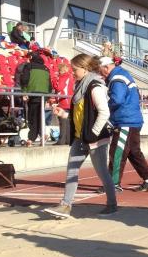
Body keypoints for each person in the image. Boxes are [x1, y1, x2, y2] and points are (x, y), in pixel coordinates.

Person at [45, 53, 117, 219]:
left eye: (75, 69)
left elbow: (104, 112)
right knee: (72, 171)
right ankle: (65, 205)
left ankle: (112, 204)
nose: (72, 72)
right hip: (80, 137)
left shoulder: (95, 87)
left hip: (95, 139)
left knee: (102, 172)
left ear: (85, 69)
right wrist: (64, 114)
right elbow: (80, 115)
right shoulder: (80, 87)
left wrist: (93, 133)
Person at [98, 56, 148, 192]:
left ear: (106, 68)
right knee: (133, 152)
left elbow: (117, 99)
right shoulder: (122, 75)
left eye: (100, 71)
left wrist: (105, 107)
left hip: (125, 120)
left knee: (117, 152)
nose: (100, 75)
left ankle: (113, 184)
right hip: (132, 119)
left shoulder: (117, 78)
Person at [20, 51, 52, 146]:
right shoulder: (46, 68)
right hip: (44, 95)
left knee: (33, 117)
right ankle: (42, 134)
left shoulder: (28, 66)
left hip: (33, 94)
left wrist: (24, 92)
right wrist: (48, 96)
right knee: (40, 116)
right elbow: (49, 84)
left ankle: (31, 138)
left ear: (31, 58)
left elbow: (24, 79)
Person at [53, 62, 73, 145]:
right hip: (69, 101)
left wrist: (54, 80)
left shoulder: (63, 77)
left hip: (64, 101)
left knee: (63, 121)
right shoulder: (70, 77)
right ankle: (68, 139)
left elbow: (59, 88)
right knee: (68, 122)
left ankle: (62, 140)